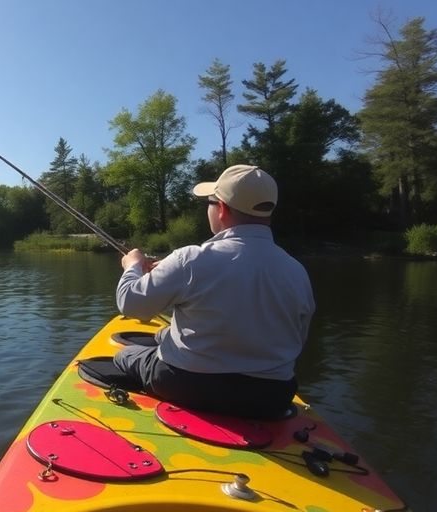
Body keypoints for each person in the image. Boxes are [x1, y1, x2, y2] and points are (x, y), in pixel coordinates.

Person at [113, 164, 314, 420]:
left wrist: (131, 266)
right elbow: (298, 337)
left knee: (125, 355)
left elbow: (131, 304)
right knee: (166, 335)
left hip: (189, 386)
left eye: (209, 202)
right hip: (272, 396)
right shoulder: (297, 271)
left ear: (221, 209)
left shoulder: (190, 259)